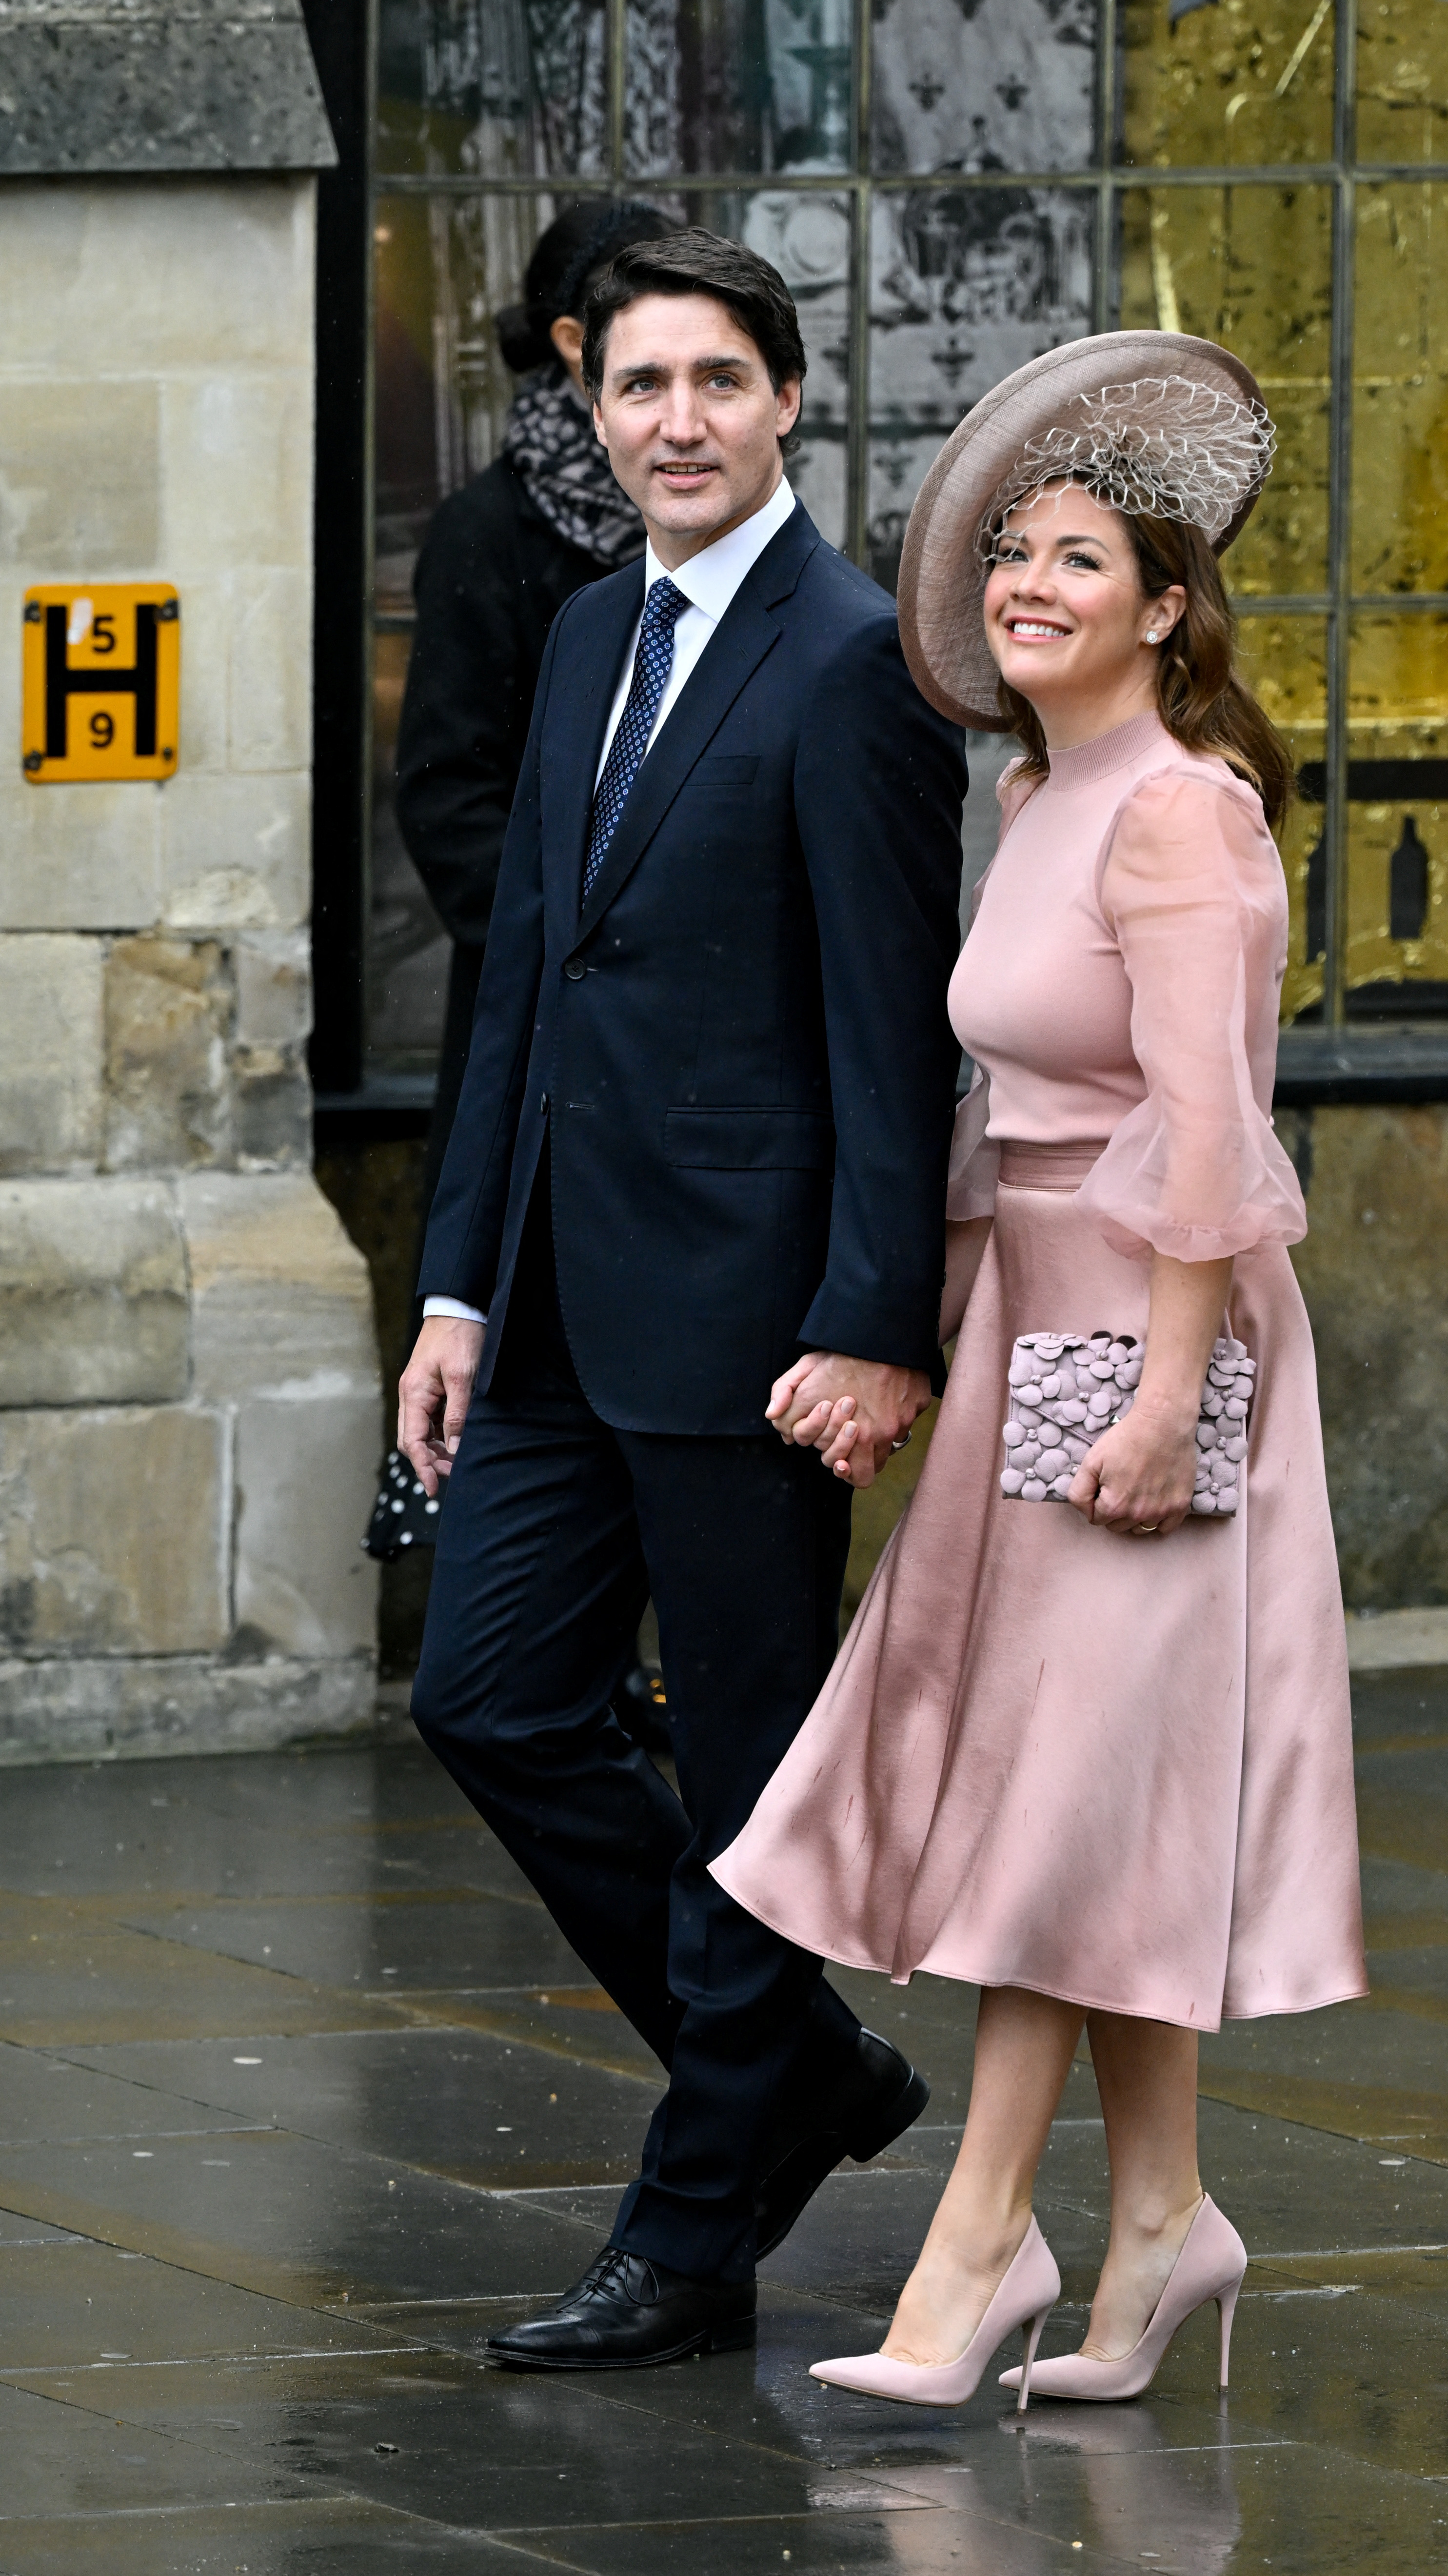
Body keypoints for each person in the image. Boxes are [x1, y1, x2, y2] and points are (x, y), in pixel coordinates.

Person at [714, 331, 1367, 2408]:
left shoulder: (1182, 816)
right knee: (1091, 1800)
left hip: (1151, 1346)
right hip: (1036, 1338)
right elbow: (1005, 1119)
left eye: (1077, 557)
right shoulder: (1039, 791)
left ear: (1165, 605)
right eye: (1012, 551)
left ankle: (980, 2248)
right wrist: (937, 1347)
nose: (1028, 582)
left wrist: (1172, 1399)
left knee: (1054, 1809)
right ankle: (1161, 2220)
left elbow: (1206, 1132)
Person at [396, 227, 969, 2371]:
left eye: (719, 383)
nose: (678, 424)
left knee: (744, 1782)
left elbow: (889, 1035)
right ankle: (799, 2070)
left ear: (789, 404)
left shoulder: (850, 661)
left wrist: (872, 1316)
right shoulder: (580, 643)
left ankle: (698, 2220)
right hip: (544, 1303)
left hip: (756, 1331)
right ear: (595, 406)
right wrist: (455, 1284)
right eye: (644, 388)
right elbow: (521, 984)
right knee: (488, 1696)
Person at [365, 198, 667, 1577]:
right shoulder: (489, 534)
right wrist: (579, 951)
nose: (677, 399)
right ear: (568, 345)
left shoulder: (721, 531)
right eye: (641, 353)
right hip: (544, 1015)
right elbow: (444, 788)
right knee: (529, 1324)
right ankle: (558, 1642)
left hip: (693, 1033)